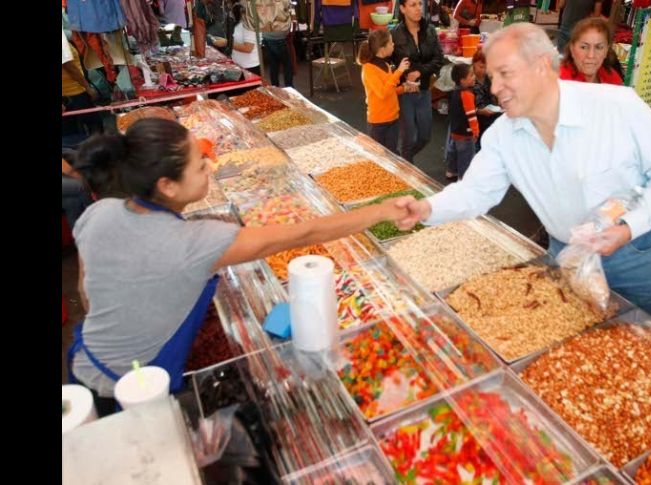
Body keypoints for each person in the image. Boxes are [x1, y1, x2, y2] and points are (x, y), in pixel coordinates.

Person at [68, 119, 408, 415]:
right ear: (166, 185)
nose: (210, 169)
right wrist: (382, 211)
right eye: (200, 166)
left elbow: (87, 292)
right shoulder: (196, 242)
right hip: (135, 390)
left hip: (83, 362)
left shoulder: (100, 212)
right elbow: (305, 232)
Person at [395, 23, 651, 332]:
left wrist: (630, 226)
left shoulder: (617, 106)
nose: (494, 87)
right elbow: (476, 191)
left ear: (540, 66)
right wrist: (427, 209)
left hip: (637, 256)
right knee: (583, 348)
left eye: (505, 74)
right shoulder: (503, 135)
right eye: (493, 75)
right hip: (567, 255)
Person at [391, 0, 445, 163]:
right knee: (409, 138)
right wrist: (403, 75)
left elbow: (438, 58)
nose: (418, 9)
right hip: (405, 92)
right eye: (413, 5)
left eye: (419, 4)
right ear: (402, 8)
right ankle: (408, 171)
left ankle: (402, 160)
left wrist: (419, 71)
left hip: (424, 89)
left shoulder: (429, 30)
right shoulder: (395, 34)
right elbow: (388, 63)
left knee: (425, 136)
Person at [358, 30, 411, 155]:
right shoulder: (368, 69)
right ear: (382, 49)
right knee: (379, 157)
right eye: (391, 43)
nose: (393, 45)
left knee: (391, 154)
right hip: (378, 123)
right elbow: (382, 93)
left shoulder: (386, 65)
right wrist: (398, 72)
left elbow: (389, 90)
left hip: (393, 118)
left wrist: (404, 88)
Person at [62, 27, 102, 144]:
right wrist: (88, 88)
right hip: (74, 93)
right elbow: (69, 67)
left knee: (70, 134)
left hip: (69, 93)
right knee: (94, 126)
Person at [560, 17, 623, 84]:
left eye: (599, 47)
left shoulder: (613, 79)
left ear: (606, 51)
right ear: (572, 49)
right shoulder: (558, 81)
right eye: (584, 47)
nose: (591, 55)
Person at [445, 63, 479, 179]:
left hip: (455, 130)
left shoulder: (454, 92)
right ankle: (464, 178)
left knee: (453, 151)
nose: (474, 77)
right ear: (463, 80)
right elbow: (471, 115)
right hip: (466, 132)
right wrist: (475, 130)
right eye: (471, 75)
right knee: (466, 156)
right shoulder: (467, 94)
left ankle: (451, 171)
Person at [256, 0, 293, 87]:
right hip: (277, 36)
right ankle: (289, 87)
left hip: (266, 35)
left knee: (274, 64)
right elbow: (286, 9)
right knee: (287, 64)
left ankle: (275, 87)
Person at [470, 50, 501, 149]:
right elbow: (461, 106)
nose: (484, 70)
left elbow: (495, 93)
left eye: (486, 67)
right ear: (474, 64)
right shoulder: (469, 79)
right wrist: (479, 111)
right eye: (481, 67)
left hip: (489, 111)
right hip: (474, 116)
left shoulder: (488, 77)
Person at [230, 3, 261, 75]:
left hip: (250, 66)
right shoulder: (239, 24)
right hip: (239, 64)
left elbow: (248, 48)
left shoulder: (249, 26)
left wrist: (227, 43)